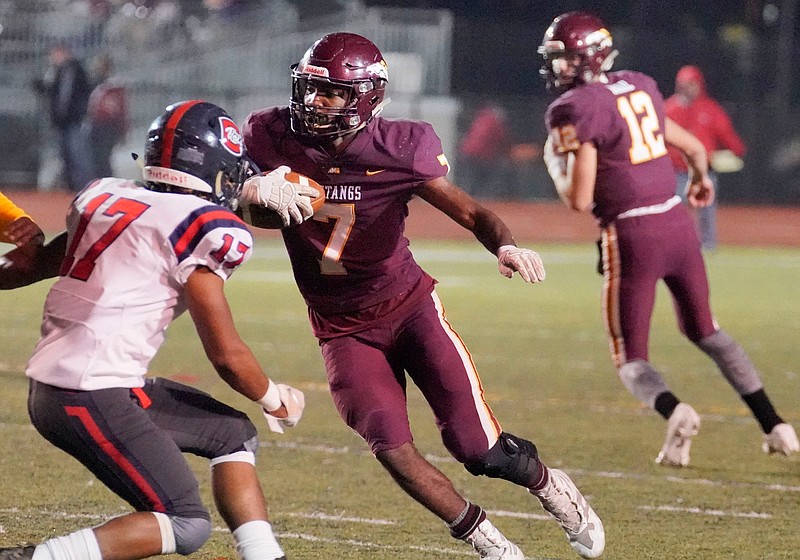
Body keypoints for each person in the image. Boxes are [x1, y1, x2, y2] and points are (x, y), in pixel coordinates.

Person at [242, 32, 604, 560]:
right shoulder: (269, 134)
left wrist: (504, 246)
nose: (315, 103)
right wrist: (247, 192)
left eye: (333, 93)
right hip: (341, 328)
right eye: (310, 89)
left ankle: (551, 487)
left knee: (476, 449)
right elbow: (224, 195)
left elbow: (473, 212)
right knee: (391, 448)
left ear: (365, 97)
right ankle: (487, 540)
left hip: (409, 308)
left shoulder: (400, 146)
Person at [0, 100, 309, 560]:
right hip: (89, 393)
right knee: (185, 525)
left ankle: (265, 555)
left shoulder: (107, 198)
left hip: (75, 387)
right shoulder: (205, 228)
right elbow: (226, 355)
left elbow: (35, 265)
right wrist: (273, 397)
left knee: (231, 434)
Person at [538, 12, 799, 468]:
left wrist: (555, 165)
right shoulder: (638, 84)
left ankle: (675, 411)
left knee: (629, 358)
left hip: (633, 233)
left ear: (586, 59)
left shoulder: (574, 108)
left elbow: (579, 198)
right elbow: (696, 149)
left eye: (563, 59)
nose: (557, 68)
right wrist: (700, 180)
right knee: (707, 330)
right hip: (678, 225)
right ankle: (777, 426)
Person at [664, 65, 746, 251]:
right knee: (673, 212)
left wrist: (736, 150)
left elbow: (727, 135)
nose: (688, 88)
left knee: (706, 213)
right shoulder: (668, 109)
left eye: (692, 84)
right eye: (684, 84)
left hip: (703, 172)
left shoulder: (710, 109)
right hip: (676, 172)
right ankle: (673, 247)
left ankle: (708, 248)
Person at [33, 44, 95, 192]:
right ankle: (72, 185)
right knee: (66, 154)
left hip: (73, 119)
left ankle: (84, 185)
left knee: (77, 153)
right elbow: (53, 92)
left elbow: (78, 94)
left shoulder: (75, 70)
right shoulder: (57, 72)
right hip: (61, 121)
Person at [85, 54, 129, 179]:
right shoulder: (97, 86)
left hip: (108, 125)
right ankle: (98, 180)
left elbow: (120, 110)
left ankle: (106, 181)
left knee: (104, 157)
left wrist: (122, 129)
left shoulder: (114, 87)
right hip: (96, 124)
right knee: (95, 157)